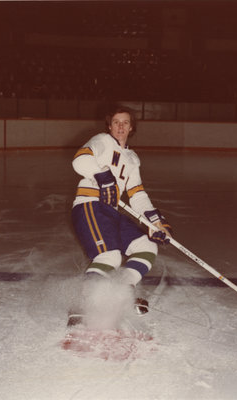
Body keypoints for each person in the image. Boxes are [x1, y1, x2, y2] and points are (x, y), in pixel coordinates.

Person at [71, 105, 172, 313]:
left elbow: (137, 194)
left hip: (111, 210)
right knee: (110, 257)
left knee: (147, 246)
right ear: (109, 126)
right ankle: (84, 303)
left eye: (125, 122)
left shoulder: (132, 159)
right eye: (116, 122)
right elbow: (80, 159)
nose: (120, 126)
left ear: (131, 127)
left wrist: (156, 223)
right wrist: (102, 176)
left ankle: (124, 291)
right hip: (90, 205)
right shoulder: (103, 141)